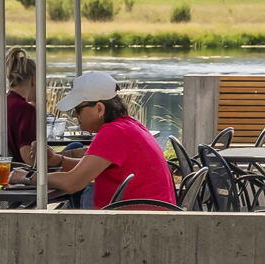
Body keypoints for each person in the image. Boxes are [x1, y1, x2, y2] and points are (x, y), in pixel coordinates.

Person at [42, 71, 175, 208]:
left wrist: (25, 177)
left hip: (136, 223)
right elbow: (91, 167)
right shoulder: (129, 125)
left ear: (99, 108)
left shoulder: (113, 132)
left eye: (77, 109)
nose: (74, 115)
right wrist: (58, 160)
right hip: (154, 218)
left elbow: (72, 183)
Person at [0, 48, 39, 162]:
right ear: (34, 80)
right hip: (18, 173)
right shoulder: (26, 110)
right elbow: (28, 158)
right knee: (75, 146)